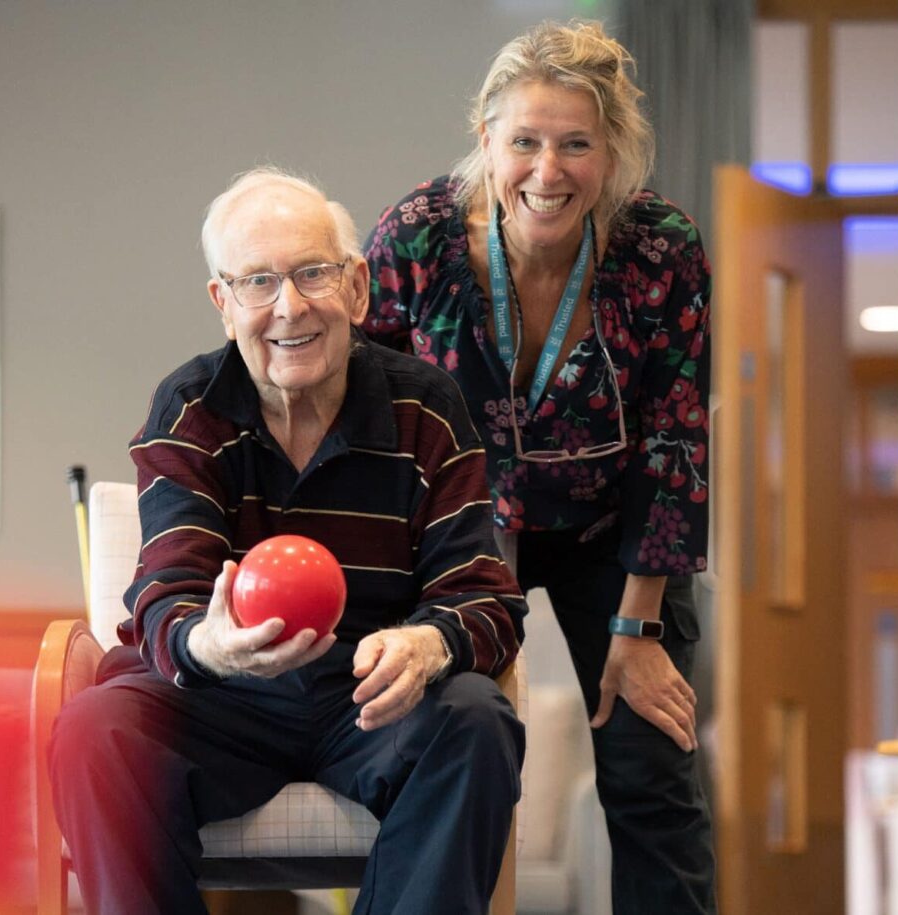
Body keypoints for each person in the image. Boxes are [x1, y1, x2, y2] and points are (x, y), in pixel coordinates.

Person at [51, 168, 527, 915]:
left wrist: (426, 646)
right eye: (258, 282)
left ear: (359, 287)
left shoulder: (426, 407)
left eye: (313, 273)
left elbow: (484, 595)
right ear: (223, 302)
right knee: (96, 726)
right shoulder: (190, 407)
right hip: (224, 697)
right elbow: (165, 593)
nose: (289, 307)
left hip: (373, 696)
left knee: (475, 715)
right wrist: (208, 645)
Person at [361, 20, 714, 912]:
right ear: (487, 139)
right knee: (459, 754)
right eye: (525, 141)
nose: (547, 172)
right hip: (460, 538)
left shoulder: (659, 250)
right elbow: (367, 415)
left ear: (613, 152)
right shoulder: (416, 240)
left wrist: (638, 634)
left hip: (610, 533)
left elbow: (675, 439)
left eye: (575, 145)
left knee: (652, 768)